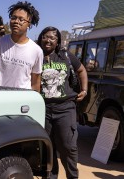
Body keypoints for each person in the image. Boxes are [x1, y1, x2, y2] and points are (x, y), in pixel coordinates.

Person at [37, 26, 88, 179]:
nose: (48, 40)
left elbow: (82, 71)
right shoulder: (35, 55)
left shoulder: (65, 56)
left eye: (52, 37)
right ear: (41, 38)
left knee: (68, 147)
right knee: (48, 148)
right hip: (43, 109)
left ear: (57, 41)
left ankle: (72, 177)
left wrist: (84, 90)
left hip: (65, 108)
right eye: (45, 36)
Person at [0, 1, 43, 91]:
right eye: (13, 17)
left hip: (22, 101)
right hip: (0, 98)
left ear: (29, 24)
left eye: (21, 19)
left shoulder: (37, 51)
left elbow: (35, 83)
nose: (16, 21)